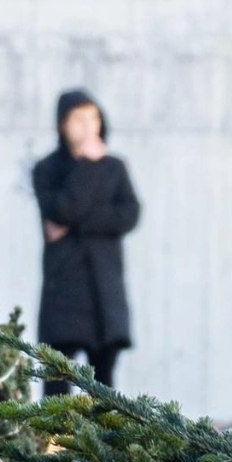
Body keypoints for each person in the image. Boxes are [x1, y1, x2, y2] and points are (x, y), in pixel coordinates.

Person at [32, 89, 140, 386]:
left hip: (103, 288)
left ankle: (103, 435)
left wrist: (75, 224)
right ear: (61, 125)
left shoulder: (115, 167)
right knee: (57, 381)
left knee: (103, 387)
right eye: (78, 119)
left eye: (93, 117)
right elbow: (62, 210)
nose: (88, 126)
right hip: (64, 287)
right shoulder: (47, 169)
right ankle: (53, 437)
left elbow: (129, 215)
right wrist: (87, 166)